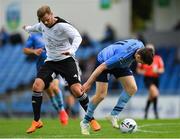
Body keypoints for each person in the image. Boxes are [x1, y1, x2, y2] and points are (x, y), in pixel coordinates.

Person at [23, 5, 100, 134]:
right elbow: (33, 28)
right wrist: (27, 28)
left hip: (66, 60)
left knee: (76, 90)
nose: (46, 23)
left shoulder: (63, 26)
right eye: (43, 21)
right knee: (37, 85)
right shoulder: (42, 25)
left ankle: (91, 119)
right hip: (51, 61)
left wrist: (71, 50)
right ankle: (37, 121)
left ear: (51, 14)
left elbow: (78, 37)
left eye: (47, 19)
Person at [80, 39, 154, 135]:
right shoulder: (122, 56)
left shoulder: (141, 45)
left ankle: (113, 115)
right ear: (138, 56)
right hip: (104, 61)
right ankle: (85, 122)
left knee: (132, 88)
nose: (140, 64)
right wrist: (88, 83)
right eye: (141, 62)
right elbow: (102, 67)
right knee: (101, 95)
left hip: (120, 64)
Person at [23, 32, 68, 125]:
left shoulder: (54, 32)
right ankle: (59, 111)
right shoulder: (34, 36)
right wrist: (34, 51)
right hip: (42, 69)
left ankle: (63, 111)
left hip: (55, 65)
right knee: (50, 93)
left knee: (55, 87)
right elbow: (25, 50)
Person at [136, 44, 164, 119]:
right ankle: (155, 111)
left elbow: (162, 70)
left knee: (152, 95)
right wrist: (144, 72)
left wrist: (157, 70)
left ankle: (146, 111)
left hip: (156, 79)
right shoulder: (143, 58)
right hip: (148, 79)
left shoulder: (158, 58)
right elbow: (138, 70)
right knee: (155, 93)